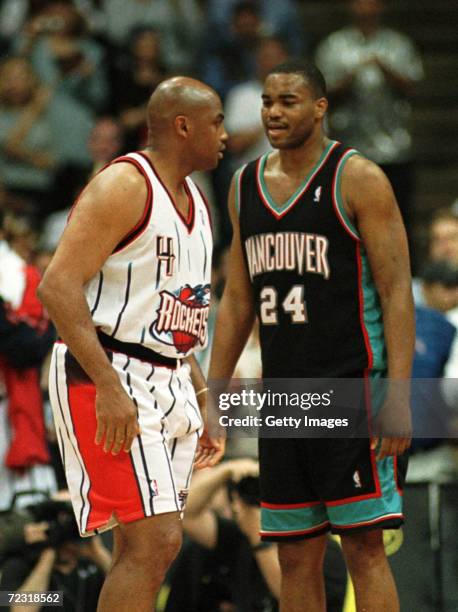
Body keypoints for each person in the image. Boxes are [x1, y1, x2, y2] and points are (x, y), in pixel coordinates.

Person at [208, 60, 414, 611]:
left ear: (320, 108)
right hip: (284, 396)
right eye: (267, 102)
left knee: (364, 547)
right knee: (294, 555)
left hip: (352, 389)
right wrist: (216, 388)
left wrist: (398, 395)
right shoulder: (244, 185)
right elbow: (237, 300)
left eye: (288, 102)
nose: (273, 112)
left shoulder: (359, 177)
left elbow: (397, 291)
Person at [37, 76, 228, 612]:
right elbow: (56, 286)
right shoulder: (125, 184)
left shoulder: (197, 198)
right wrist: (108, 386)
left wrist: (201, 392)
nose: (226, 133)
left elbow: (173, 315)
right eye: (216, 121)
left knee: (152, 546)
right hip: (107, 372)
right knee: (155, 541)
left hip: (168, 374)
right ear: (183, 125)